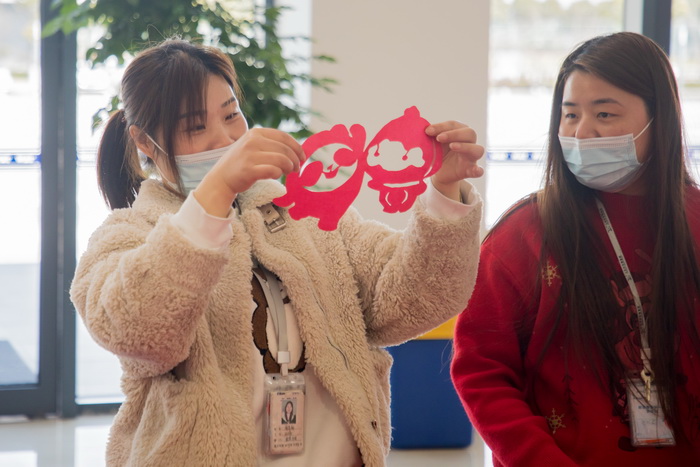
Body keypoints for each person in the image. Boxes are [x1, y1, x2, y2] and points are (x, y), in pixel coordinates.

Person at [70, 38, 484, 466]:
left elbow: (413, 298)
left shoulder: (305, 213)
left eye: (231, 115)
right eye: (195, 127)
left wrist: (445, 194)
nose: (226, 138)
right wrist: (216, 191)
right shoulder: (128, 233)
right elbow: (139, 331)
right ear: (144, 142)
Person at [451, 31, 700, 466]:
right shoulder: (523, 234)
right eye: (570, 115)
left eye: (604, 113)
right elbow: (481, 370)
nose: (583, 132)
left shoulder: (694, 220)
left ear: (658, 119)